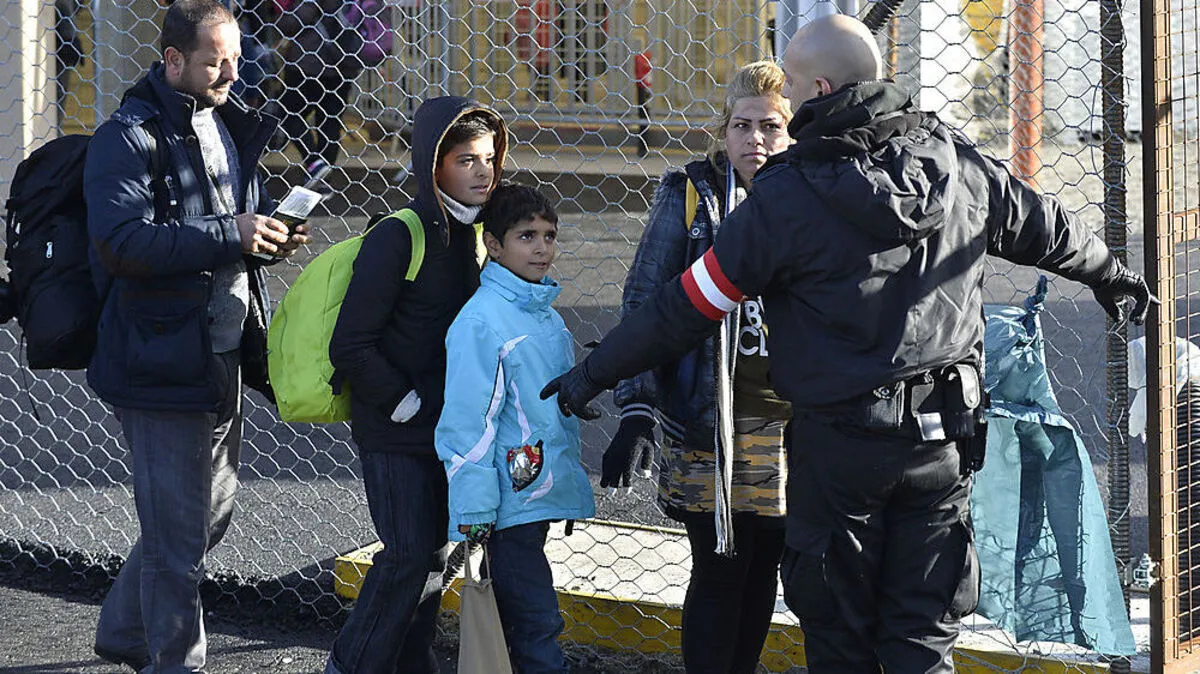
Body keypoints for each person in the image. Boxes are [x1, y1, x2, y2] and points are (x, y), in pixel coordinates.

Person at [541, 14, 1154, 674]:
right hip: (941, 444)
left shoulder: (785, 198)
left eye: (793, 83)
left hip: (839, 454)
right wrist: (1113, 276)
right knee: (922, 639)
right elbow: (1048, 227)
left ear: (821, 89)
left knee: (839, 640)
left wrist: (593, 374)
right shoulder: (958, 162)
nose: (786, 96)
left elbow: (685, 307)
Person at [84, 1, 309, 671]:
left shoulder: (228, 123)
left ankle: (125, 631)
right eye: (216, 62)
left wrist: (268, 236)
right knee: (178, 540)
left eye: (236, 59)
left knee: (207, 517)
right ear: (173, 59)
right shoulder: (126, 137)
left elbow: (230, 230)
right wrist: (230, 234)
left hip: (221, 350)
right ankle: (175, 661)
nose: (232, 74)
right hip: (157, 358)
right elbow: (123, 244)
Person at [604, 60, 793, 673]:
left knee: (766, 564)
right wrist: (636, 408)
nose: (755, 139)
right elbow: (644, 301)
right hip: (709, 420)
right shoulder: (691, 193)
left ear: (791, 132)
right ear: (723, 131)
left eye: (770, 126)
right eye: (742, 125)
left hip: (790, 423)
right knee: (718, 566)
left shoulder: (809, 194)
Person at [326, 98, 508, 674]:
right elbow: (351, 343)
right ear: (434, 165)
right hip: (396, 426)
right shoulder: (399, 235)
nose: (483, 172)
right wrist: (404, 403)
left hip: (450, 428)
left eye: (489, 159)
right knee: (406, 555)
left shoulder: (478, 236)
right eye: (466, 160)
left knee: (434, 558)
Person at [436, 183, 595, 673]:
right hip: (504, 504)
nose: (542, 248)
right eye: (527, 236)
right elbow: (468, 424)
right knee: (534, 623)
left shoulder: (542, 315)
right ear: (494, 244)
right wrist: (475, 510)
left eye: (550, 235)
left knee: (529, 621)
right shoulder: (482, 322)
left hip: (531, 491)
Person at [274, 0, 360, 178]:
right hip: (343, 65)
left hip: (308, 66)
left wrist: (280, 17)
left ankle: (315, 163)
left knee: (288, 113)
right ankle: (324, 178)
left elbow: (293, 23)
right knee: (330, 123)